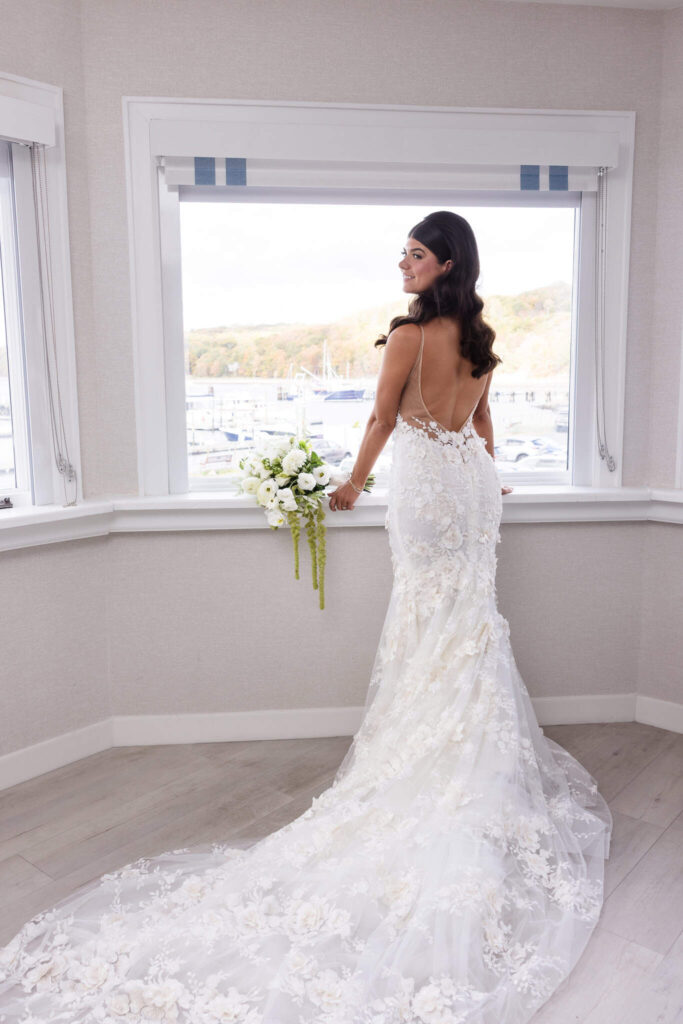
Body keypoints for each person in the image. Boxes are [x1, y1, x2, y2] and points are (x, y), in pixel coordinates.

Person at [0, 212, 612, 1024]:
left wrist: (355, 486)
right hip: (471, 487)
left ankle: (428, 754)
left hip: (427, 488)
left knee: (430, 618)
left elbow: (382, 421)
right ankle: (466, 758)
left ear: (445, 262)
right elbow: (484, 426)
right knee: (466, 618)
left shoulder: (409, 333)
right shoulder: (480, 335)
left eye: (415, 253)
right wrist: (490, 477)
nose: (402, 263)